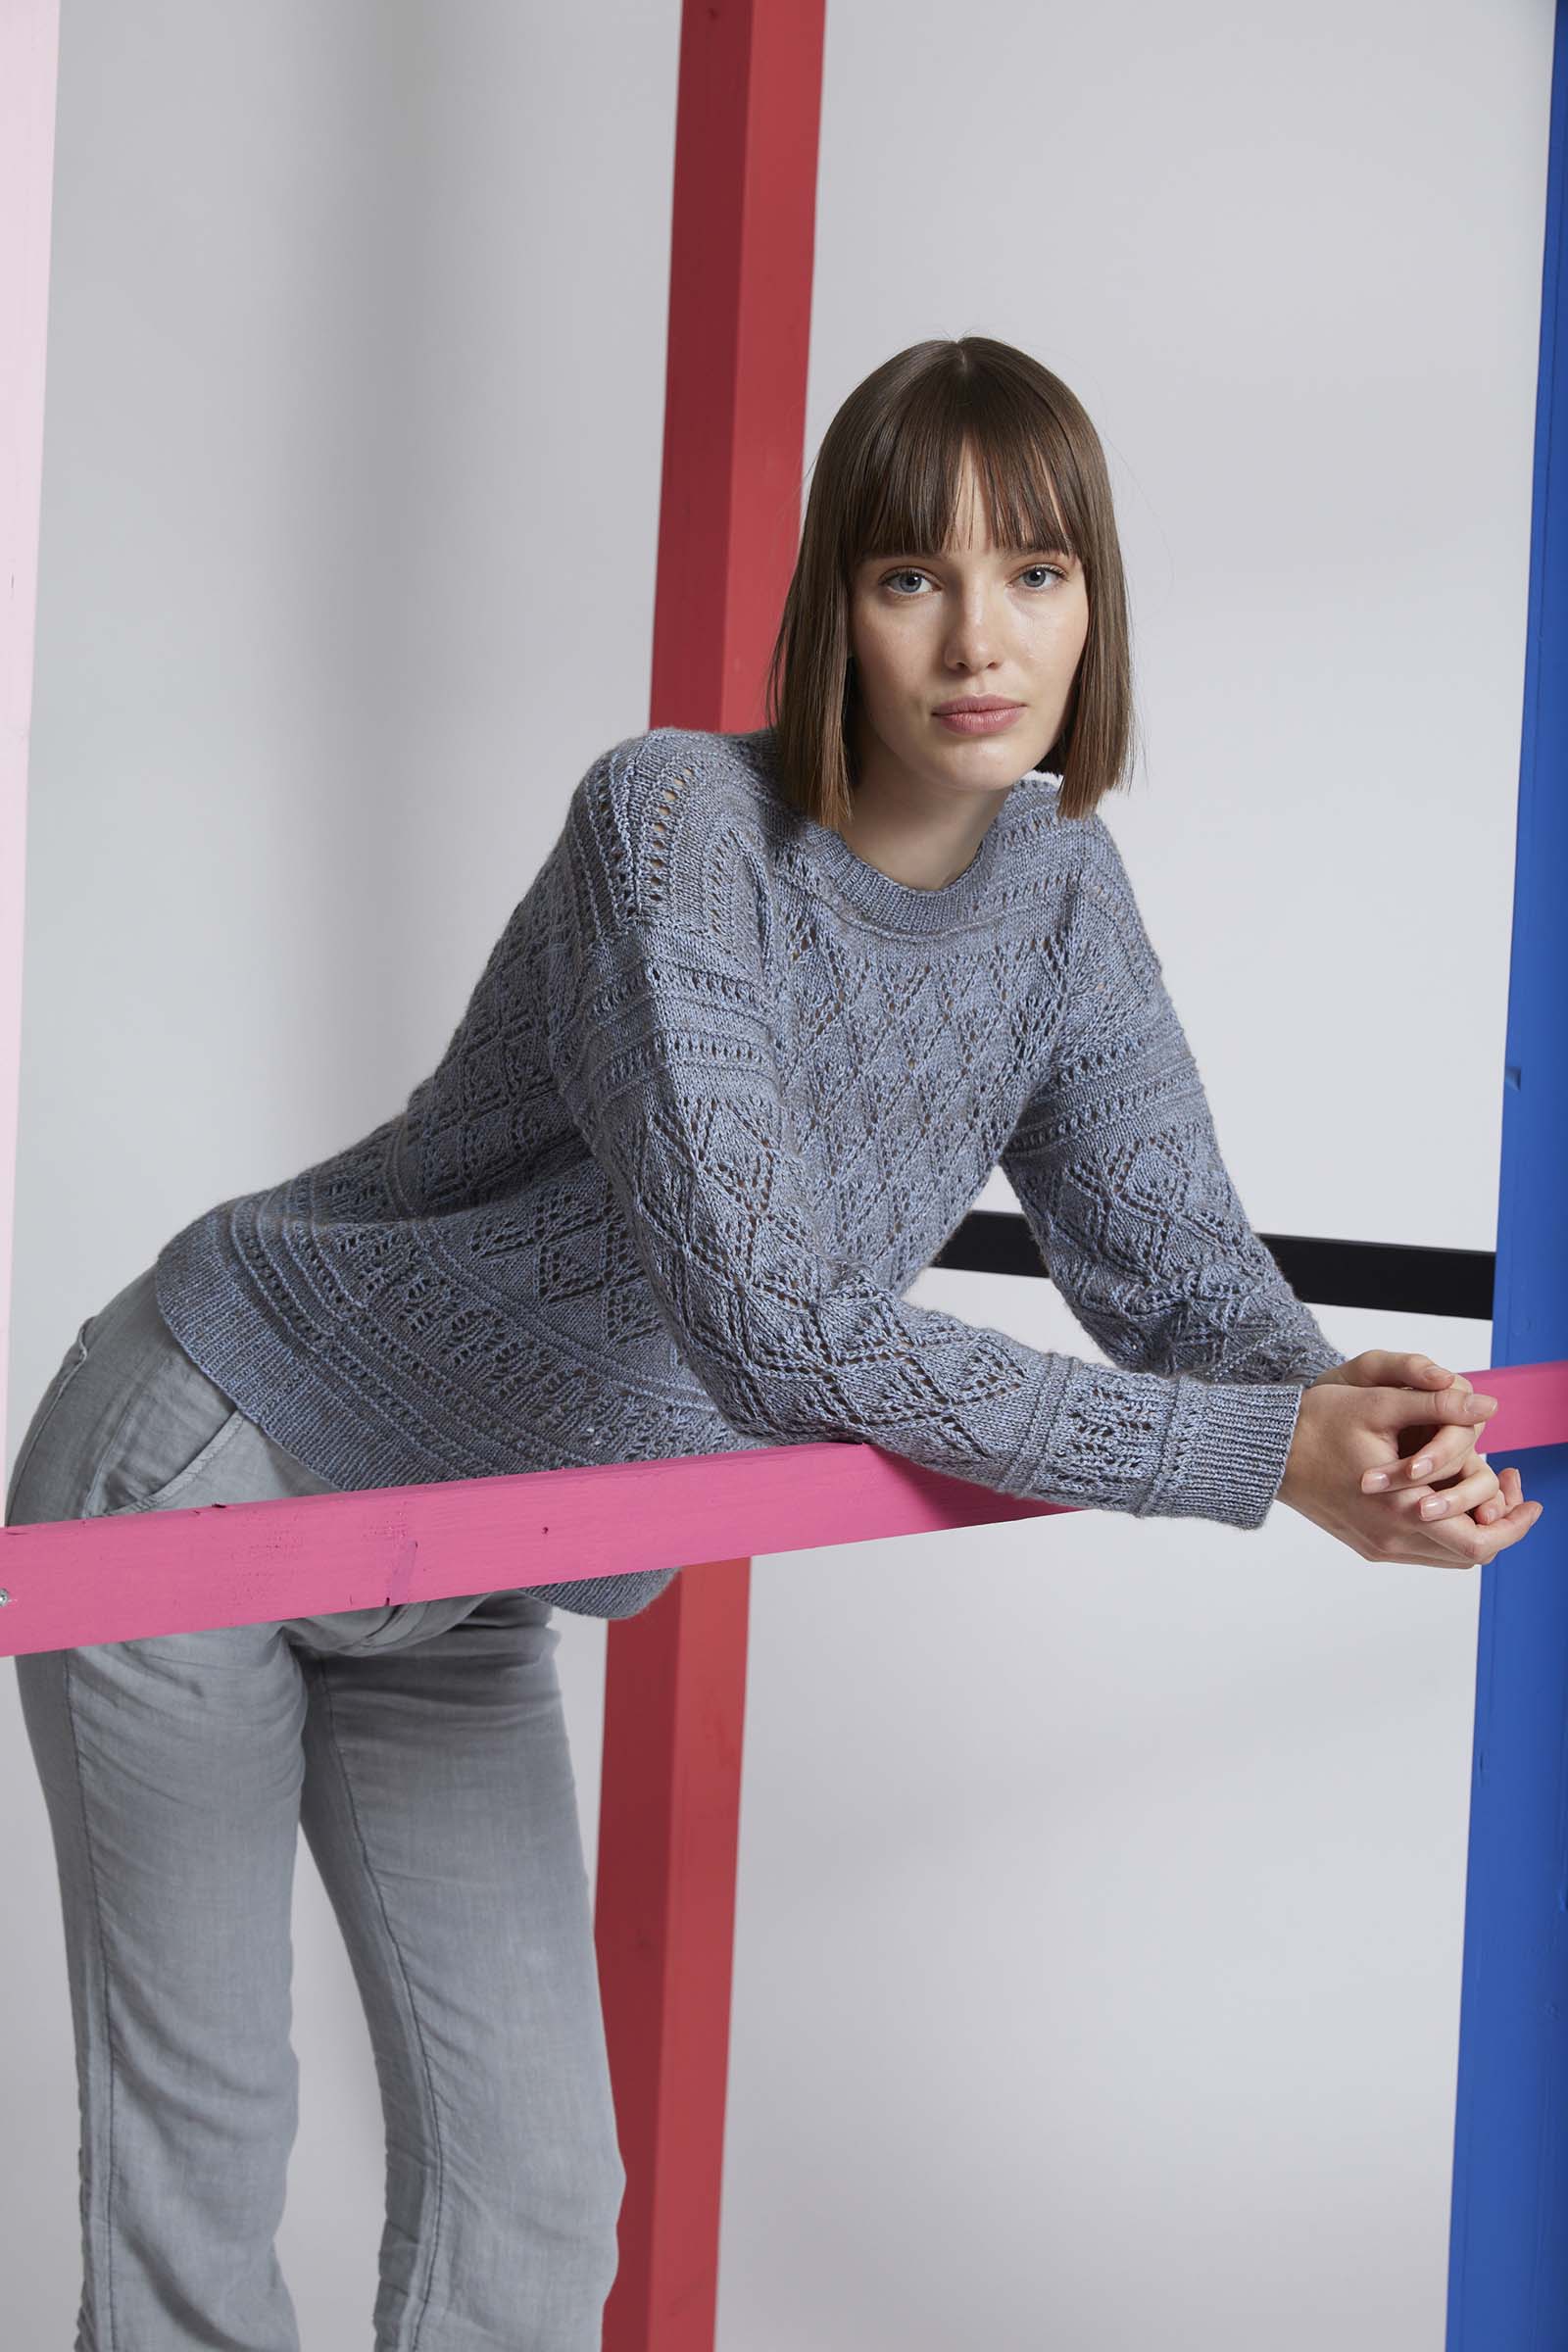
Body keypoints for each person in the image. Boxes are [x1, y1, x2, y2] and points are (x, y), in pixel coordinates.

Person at [5, 333, 1541, 2351]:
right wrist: (1254, 1459)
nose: (979, 638)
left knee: (538, 2199)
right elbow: (774, 1329)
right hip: (216, 1460)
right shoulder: (676, 824)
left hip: (473, 1566)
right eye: (913, 575)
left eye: (1036, 571)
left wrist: (1357, 1413)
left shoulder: (1062, 898)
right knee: (204, 2174)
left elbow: (1178, 1276)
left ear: (1095, 603)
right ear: (837, 604)